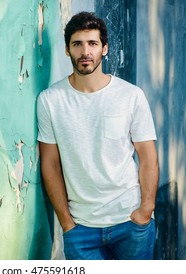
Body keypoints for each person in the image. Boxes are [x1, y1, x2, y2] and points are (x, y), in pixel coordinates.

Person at [37, 11, 159, 260]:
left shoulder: (131, 96)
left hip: (130, 221)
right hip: (81, 229)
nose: (85, 52)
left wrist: (146, 209)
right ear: (67, 50)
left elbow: (148, 157)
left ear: (104, 49)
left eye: (92, 44)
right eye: (77, 44)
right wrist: (66, 223)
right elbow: (50, 164)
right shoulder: (50, 100)